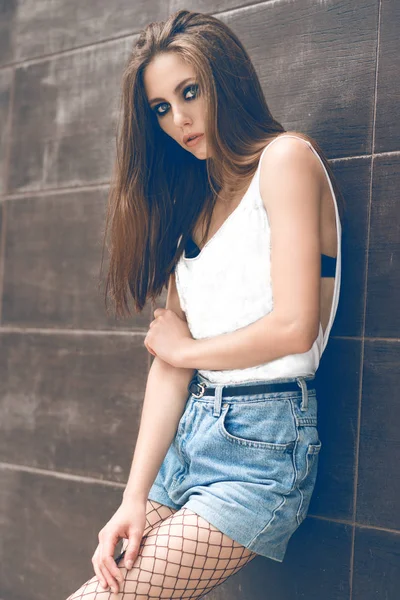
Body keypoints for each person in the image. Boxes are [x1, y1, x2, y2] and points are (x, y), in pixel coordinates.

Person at [66, 8, 345, 600]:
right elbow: (169, 367)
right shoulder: (197, 209)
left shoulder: (286, 160)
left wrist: (188, 348)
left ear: (225, 79)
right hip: (189, 443)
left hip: (262, 451)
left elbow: (296, 327)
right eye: (161, 108)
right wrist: (133, 496)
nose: (179, 119)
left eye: (189, 92)